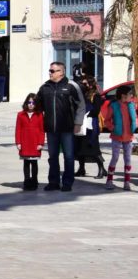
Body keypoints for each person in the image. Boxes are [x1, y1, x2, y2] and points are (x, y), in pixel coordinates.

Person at [35, 62, 86, 192]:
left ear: (61, 72)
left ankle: (67, 182)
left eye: (53, 71)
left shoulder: (71, 86)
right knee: (53, 156)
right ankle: (53, 182)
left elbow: (81, 105)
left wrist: (78, 123)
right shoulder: (45, 87)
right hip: (51, 128)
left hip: (67, 128)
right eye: (50, 70)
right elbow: (37, 106)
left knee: (68, 156)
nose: (50, 73)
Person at [101, 83, 136, 191]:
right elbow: (107, 120)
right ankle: (109, 180)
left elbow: (134, 118)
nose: (132, 96)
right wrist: (113, 128)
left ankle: (127, 182)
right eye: (130, 94)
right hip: (117, 136)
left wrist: (134, 126)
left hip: (128, 136)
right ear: (123, 95)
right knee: (115, 158)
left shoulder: (131, 105)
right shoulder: (114, 105)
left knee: (128, 159)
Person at [75, 75, 106, 178]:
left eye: (85, 83)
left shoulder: (96, 95)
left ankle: (101, 169)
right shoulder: (83, 93)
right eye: (83, 84)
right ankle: (81, 168)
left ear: (90, 84)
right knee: (80, 148)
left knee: (93, 147)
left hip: (91, 125)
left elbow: (96, 110)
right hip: (83, 124)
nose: (84, 85)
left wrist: (86, 114)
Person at [15, 93, 44, 191]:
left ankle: (34, 181)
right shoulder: (20, 115)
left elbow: (41, 130)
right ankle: (27, 181)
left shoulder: (39, 115)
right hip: (25, 142)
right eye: (29, 102)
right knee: (26, 163)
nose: (31, 104)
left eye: (33, 103)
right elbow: (18, 129)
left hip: (35, 143)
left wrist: (40, 143)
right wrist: (18, 142)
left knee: (34, 163)